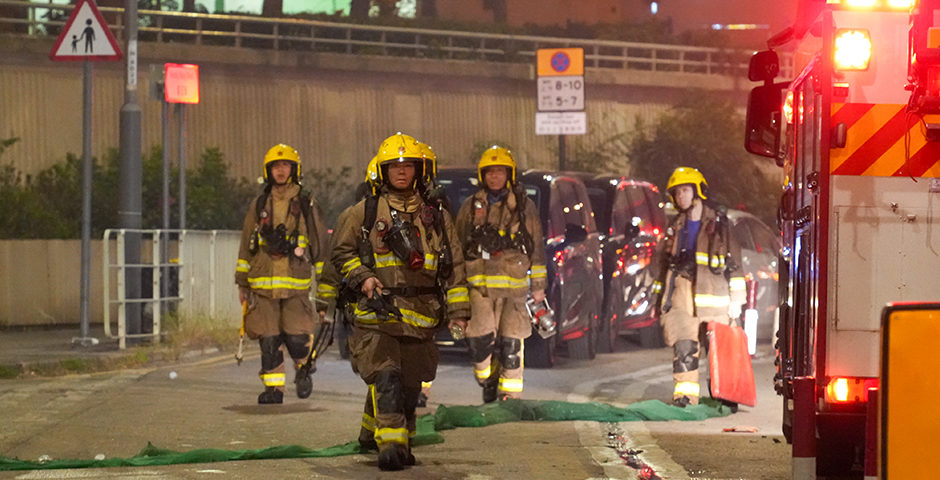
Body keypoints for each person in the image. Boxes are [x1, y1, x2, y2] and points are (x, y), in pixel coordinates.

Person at [330, 133, 469, 471]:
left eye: (408, 166)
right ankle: (391, 446)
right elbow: (341, 253)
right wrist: (364, 278)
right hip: (377, 314)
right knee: (387, 375)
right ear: (384, 171)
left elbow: (455, 267)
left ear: (420, 171)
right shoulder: (364, 213)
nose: (402, 171)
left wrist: (459, 312)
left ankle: (390, 436)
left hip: (421, 317)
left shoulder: (437, 218)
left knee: (410, 385)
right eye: (395, 166)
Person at [235, 144, 333, 405]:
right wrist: (242, 282)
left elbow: (320, 247)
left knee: (297, 338)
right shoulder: (258, 205)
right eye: (276, 166)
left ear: (294, 170)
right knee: (268, 340)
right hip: (262, 287)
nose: (280, 170)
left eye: (285, 165)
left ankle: (304, 370)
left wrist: (325, 291)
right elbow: (246, 245)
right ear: (268, 171)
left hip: (296, 287)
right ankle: (274, 389)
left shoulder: (307, 204)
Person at [452, 146, 547, 403]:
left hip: (514, 290)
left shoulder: (524, 208)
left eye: (500, 171)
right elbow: (458, 247)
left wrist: (538, 287)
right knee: (478, 344)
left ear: (509, 174)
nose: (495, 177)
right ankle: (488, 379)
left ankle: (509, 397)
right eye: (490, 172)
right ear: (483, 175)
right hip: (479, 288)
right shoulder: (471, 207)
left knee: (511, 345)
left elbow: (536, 248)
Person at [653, 167, 746, 407]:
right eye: (677, 192)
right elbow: (663, 266)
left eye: (685, 190)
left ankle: (725, 396)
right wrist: (658, 299)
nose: (681, 196)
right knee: (684, 344)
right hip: (682, 291)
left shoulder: (720, 223)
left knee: (719, 348)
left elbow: (735, 264)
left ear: (698, 192)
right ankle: (685, 396)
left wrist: (737, 299)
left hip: (714, 292)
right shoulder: (675, 226)